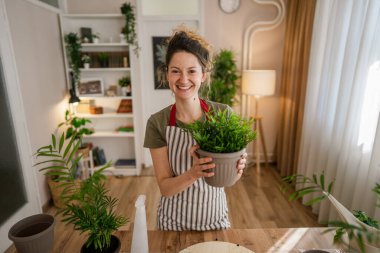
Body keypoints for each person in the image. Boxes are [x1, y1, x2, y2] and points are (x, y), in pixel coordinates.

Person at [144, 27, 247, 231]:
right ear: (167, 74)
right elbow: (165, 188)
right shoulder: (157, 123)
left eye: (191, 71)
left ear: (203, 75)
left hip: (216, 222)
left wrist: (237, 169)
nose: (183, 79)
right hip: (172, 226)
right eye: (176, 71)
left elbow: (232, 180)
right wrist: (194, 173)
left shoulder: (223, 114)